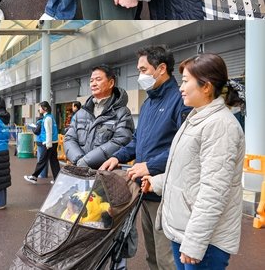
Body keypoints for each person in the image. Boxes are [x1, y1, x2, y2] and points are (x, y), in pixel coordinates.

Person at [141, 53, 245, 270]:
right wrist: (157, 182)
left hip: (203, 240)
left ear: (206, 87)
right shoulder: (197, 118)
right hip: (187, 231)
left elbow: (214, 191)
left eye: (186, 81)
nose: (181, 88)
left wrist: (195, 242)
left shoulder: (219, 126)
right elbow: (187, 169)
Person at [101, 46, 190, 270]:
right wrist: (117, 157)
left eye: (143, 69)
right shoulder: (148, 103)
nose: (140, 75)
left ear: (161, 69)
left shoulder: (179, 101)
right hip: (145, 191)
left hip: (165, 192)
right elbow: (137, 140)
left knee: (166, 258)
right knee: (151, 255)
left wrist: (150, 165)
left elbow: (183, 148)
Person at [64, 65, 134, 169]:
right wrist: (79, 160)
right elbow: (69, 138)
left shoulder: (122, 112)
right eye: (91, 81)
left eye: (98, 79)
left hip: (105, 173)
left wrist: (86, 161)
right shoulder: (81, 113)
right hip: (80, 171)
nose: (93, 84)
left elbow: (120, 141)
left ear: (111, 83)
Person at [24, 101, 60, 183]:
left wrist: (48, 144)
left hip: (49, 143)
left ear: (45, 108)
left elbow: (48, 132)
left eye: (40, 107)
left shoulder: (47, 118)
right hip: (54, 142)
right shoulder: (50, 117)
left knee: (42, 160)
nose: (39, 109)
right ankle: (57, 179)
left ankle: (34, 177)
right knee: (54, 161)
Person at [31, 103, 49, 178]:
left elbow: (36, 131)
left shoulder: (40, 121)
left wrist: (32, 128)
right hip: (45, 141)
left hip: (41, 141)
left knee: (41, 159)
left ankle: (42, 175)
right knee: (45, 159)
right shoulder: (48, 118)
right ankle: (43, 174)